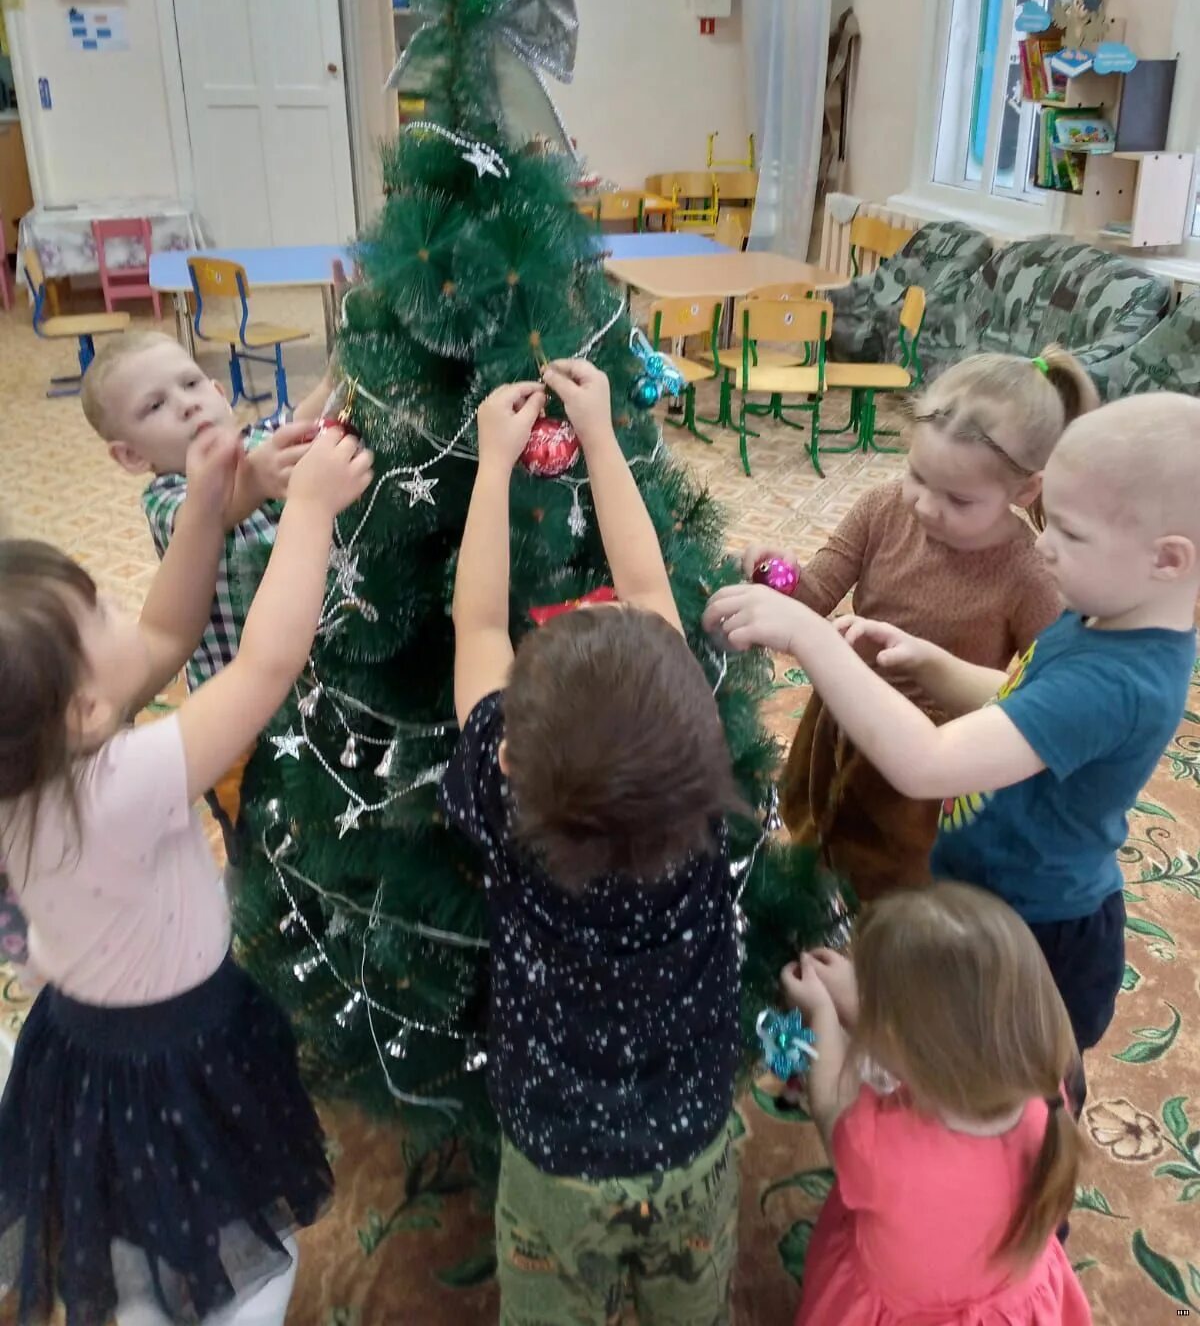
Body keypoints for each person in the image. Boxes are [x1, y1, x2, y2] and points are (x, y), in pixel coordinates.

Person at [705, 391, 1200, 1105]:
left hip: (1030, 932)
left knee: (1001, 1090)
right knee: (949, 1051)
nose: (1044, 545)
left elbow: (927, 764)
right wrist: (936, 664)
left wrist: (811, 636)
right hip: (983, 888)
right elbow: (1023, 697)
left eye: (1069, 532)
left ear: (1168, 559)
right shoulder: (1110, 615)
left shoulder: (1117, 680)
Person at [0, 422, 373, 1326]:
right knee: (242, 1256)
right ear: (86, 711)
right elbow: (266, 665)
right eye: (102, 614)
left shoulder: (29, 768)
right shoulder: (121, 784)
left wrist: (207, 500)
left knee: (133, 1233)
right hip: (177, 1058)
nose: (124, 610)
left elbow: (167, 629)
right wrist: (310, 508)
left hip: (76, 1047)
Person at [445, 359, 743, 1326]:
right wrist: (605, 435)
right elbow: (650, 583)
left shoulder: (505, 802)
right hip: (693, 1143)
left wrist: (493, 465)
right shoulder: (697, 796)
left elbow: (478, 623)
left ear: (509, 759)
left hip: (555, 1163)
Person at [743, 348, 1093, 900]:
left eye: (959, 499)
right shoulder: (882, 508)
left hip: (929, 765)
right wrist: (776, 574)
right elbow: (814, 596)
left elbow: (1040, 695)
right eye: (916, 475)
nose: (926, 505)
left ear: (1025, 491)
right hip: (841, 716)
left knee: (895, 887)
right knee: (814, 836)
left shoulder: (1030, 575)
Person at [780, 883, 1092, 1325]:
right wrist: (864, 1000)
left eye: (880, 1008)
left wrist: (823, 1017)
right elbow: (951, 1039)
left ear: (912, 1053)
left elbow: (829, 1103)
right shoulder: (1044, 1091)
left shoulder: (876, 1146)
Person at [81, 331, 336, 866]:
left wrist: (342, 366)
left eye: (192, 384)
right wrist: (256, 478)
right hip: (237, 720)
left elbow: (303, 422)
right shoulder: (165, 499)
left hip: (316, 680)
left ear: (220, 391)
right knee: (258, 833)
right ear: (131, 454)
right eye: (155, 406)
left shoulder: (258, 439)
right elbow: (212, 513)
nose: (186, 404)